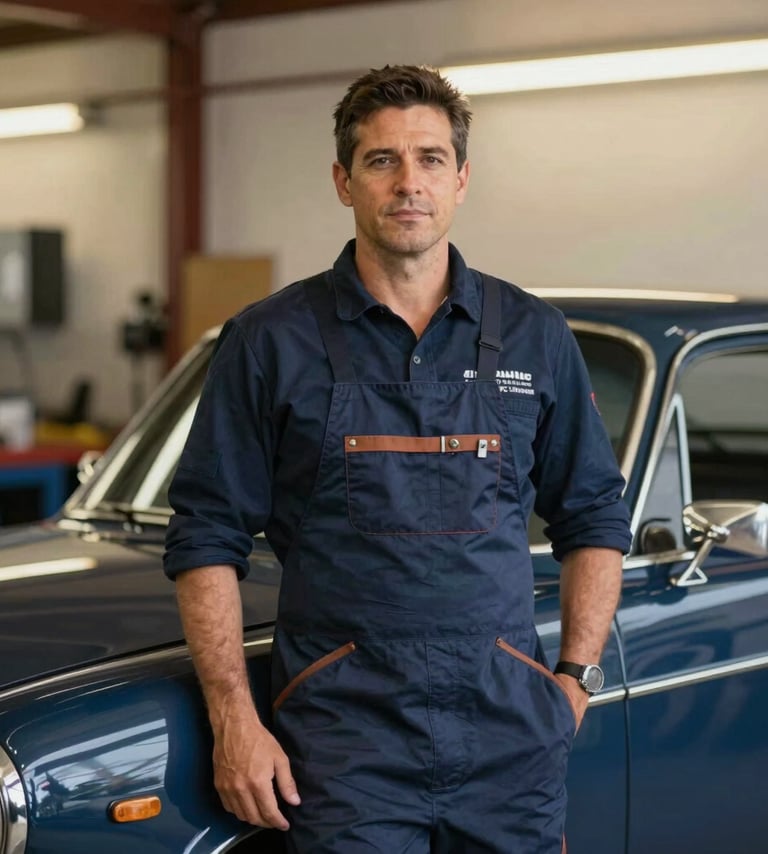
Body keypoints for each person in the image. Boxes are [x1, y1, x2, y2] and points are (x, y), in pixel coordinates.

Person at [164, 64, 632, 853]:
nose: (408, 182)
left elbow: (593, 514)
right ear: (344, 182)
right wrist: (234, 718)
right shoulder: (270, 340)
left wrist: (573, 682)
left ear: (461, 180)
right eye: (382, 160)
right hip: (343, 749)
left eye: (430, 159)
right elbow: (206, 533)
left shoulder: (535, 335)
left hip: (510, 741)